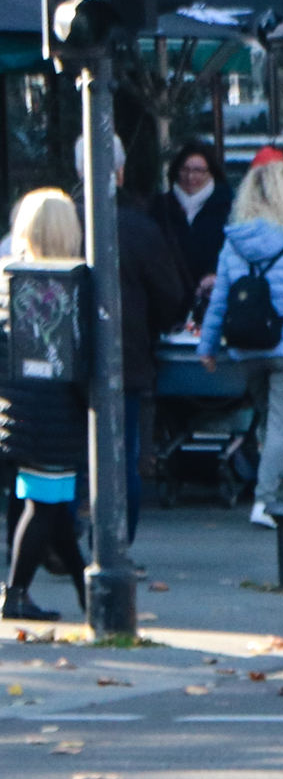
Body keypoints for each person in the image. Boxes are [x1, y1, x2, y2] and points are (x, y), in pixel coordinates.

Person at [195, 147, 283, 530]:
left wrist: (207, 347)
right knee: (281, 424)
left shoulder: (234, 241)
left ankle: (275, 483)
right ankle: (267, 500)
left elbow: (220, 299)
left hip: (246, 348)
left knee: (265, 421)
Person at [91, 132, 192, 540]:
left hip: (72, 362)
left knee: (73, 459)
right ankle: (117, 543)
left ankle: (63, 540)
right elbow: (170, 294)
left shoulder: (62, 220)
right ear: (119, 172)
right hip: (127, 356)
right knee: (124, 457)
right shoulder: (139, 227)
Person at [0, 190, 91, 620]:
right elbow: (78, 355)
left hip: (17, 411)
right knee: (44, 506)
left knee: (50, 507)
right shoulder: (69, 284)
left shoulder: (9, 279)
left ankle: (84, 590)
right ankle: (15, 595)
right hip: (55, 414)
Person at [150, 139, 230, 318]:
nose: (190, 177)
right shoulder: (161, 207)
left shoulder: (226, 208)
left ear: (211, 173)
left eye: (198, 170)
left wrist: (214, 274)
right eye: (185, 169)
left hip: (213, 301)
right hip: (168, 303)